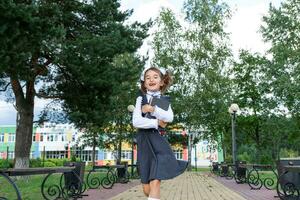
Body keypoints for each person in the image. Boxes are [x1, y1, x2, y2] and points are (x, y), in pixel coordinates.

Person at [132, 66, 188, 200]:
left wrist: (152, 109)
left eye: (155, 77)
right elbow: (136, 122)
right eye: (148, 77)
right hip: (144, 142)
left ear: (162, 82)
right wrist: (156, 123)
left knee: (155, 180)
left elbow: (169, 118)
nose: (151, 80)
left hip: (159, 142)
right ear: (144, 83)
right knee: (147, 188)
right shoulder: (141, 99)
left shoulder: (162, 100)